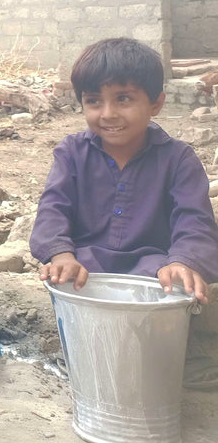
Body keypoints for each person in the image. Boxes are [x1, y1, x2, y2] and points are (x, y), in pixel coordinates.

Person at [30, 37, 218, 384]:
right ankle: (85, 355)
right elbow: (53, 208)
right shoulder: (71, 152)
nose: (108, 114)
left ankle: (168, 360)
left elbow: (194, 220)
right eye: (93, 101)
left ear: (156, 103)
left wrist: (184, 261)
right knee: (68, 281)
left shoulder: (178, 159)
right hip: (87, 268)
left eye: (124, 99)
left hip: (151, 269)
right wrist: (60, 253)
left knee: (174, 286)